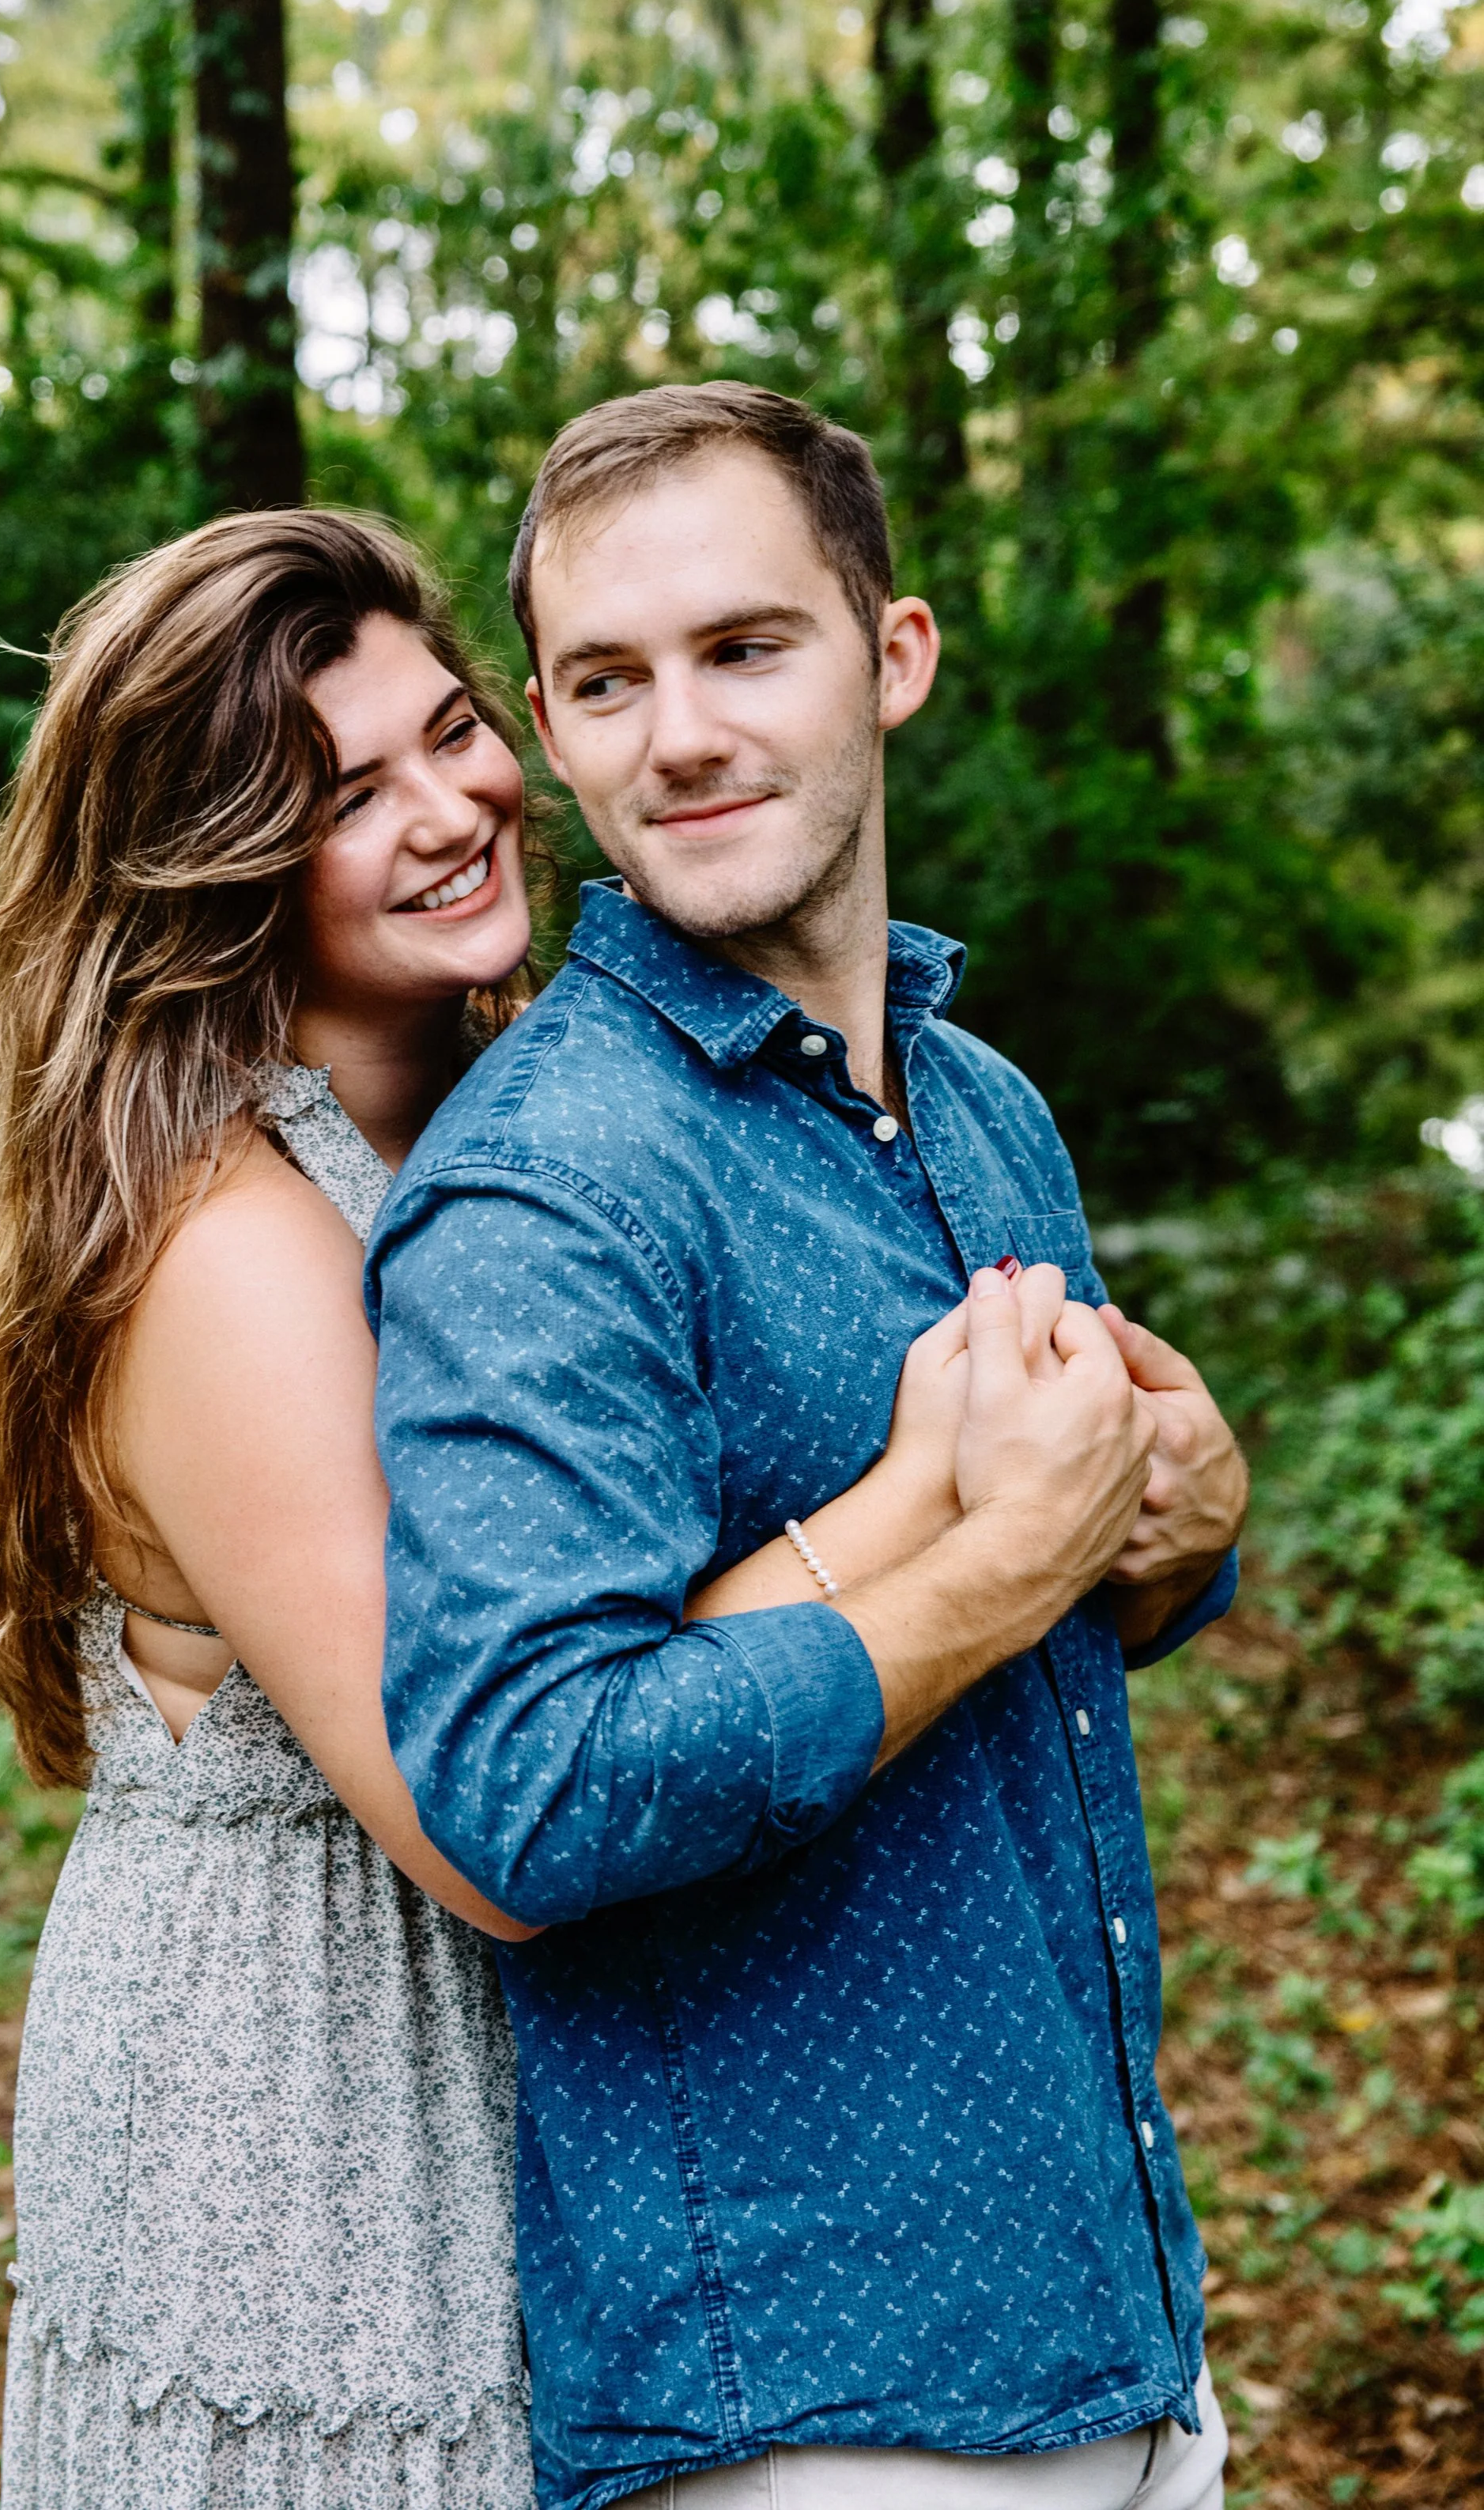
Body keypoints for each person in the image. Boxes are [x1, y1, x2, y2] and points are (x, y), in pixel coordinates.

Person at [0, 506, 984, 2510]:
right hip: (317, 2104)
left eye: (452, 731)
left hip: (576, 2070)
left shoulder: (516, 1116)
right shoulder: (224, 1244)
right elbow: (494, 1808)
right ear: (212, 863)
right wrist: (937, 1503)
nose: (447, 811)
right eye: (341, 797)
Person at [368, 384, 1250, 2510]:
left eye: (744, 647)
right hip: (812, 2394)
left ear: (892, 653)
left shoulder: (983, 1107)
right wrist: (997, 1564)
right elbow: (528, 1786)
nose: (676, 734)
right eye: (606, 680)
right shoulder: (542, 1191)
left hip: (1107, 2303)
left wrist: (1177, 1534)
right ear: (552, 733)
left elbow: (1066, 1584)